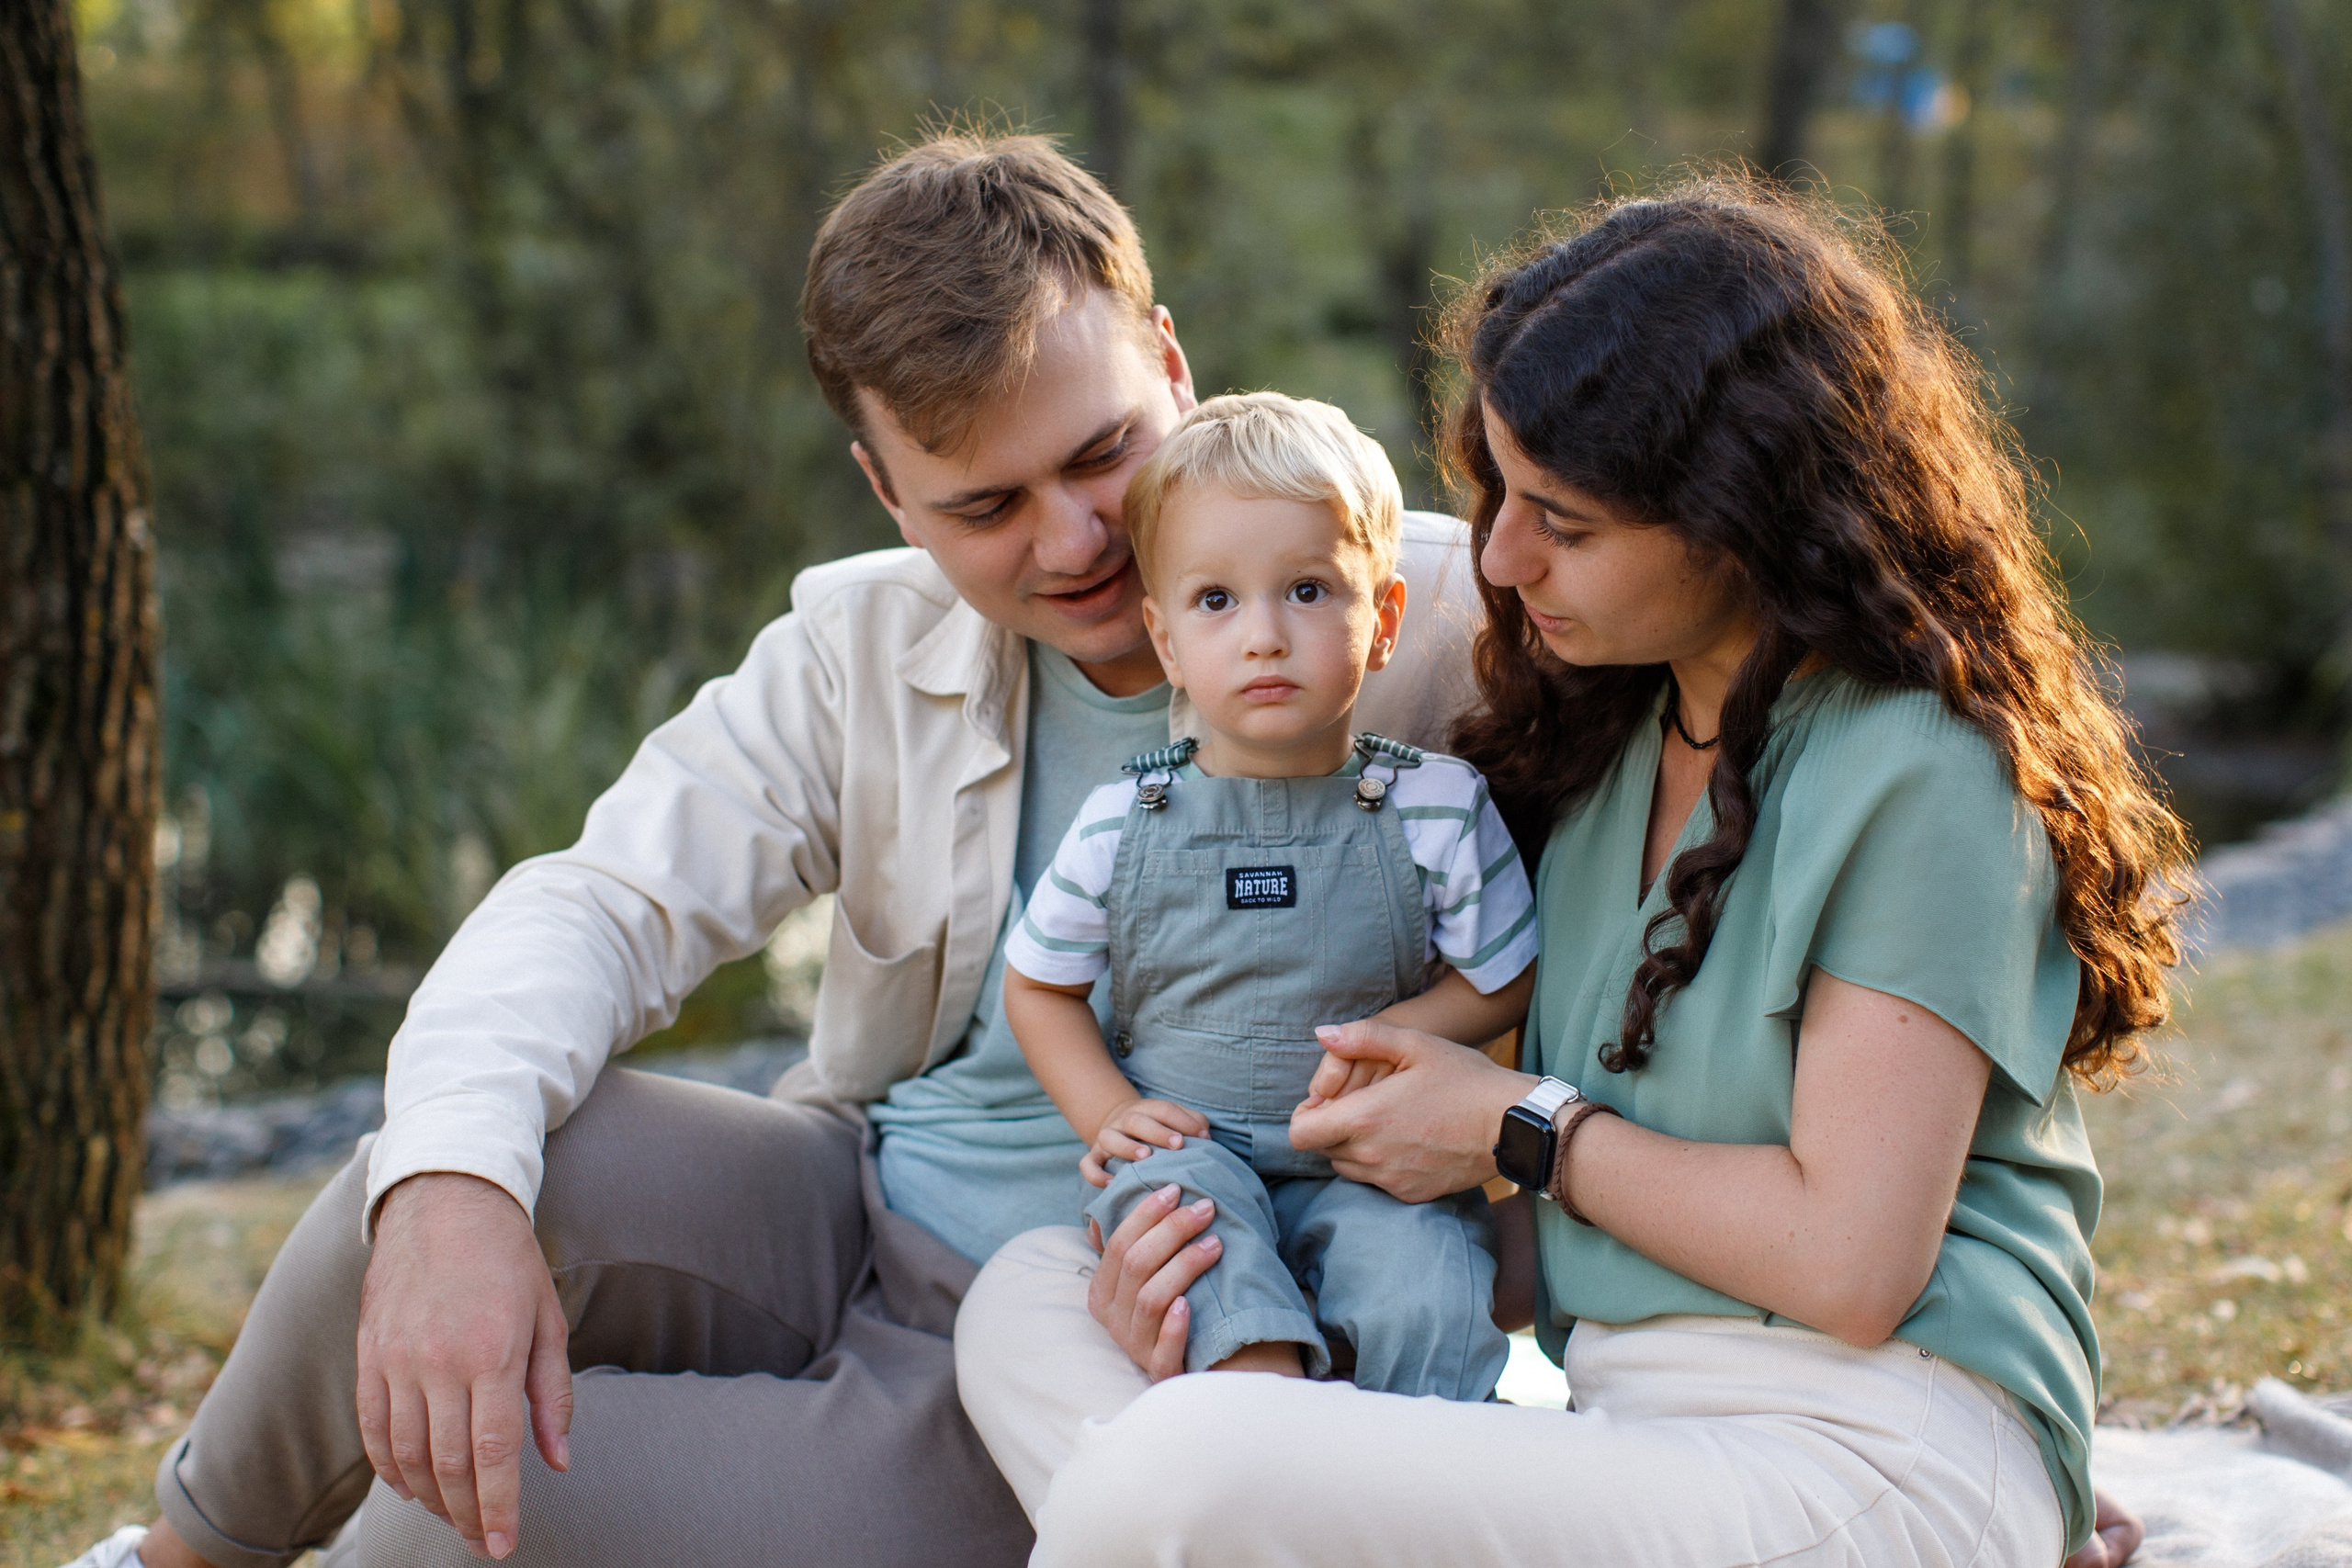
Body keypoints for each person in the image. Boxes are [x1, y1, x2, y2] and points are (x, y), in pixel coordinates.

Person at [63, 131, 1484, 1568]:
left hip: (1102, 1325)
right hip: (848, 1196)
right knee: (437, 1175)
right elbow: (596, 904)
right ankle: (170, 1560)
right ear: (887, 490)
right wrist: (450, 1191)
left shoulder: (1426, 618)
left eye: (1102, 452)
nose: (1072, 540)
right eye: (985, 505)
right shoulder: (858, 642)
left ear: (1170, 364)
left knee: (468, 1514)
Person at [953, 175, 2185, 1568]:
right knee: (1031, 1293)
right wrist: (1219, 1266)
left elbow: (1848, 1266)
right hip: (1624, 1424)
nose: (1499, 554)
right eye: (1498, 492)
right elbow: (1575, 1244)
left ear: (1737, 511)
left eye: (1566, 522)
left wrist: (1515, 1125)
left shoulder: (1918, 771)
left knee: (1174, 1470)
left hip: (1857, 1437)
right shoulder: (1611, 743)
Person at [1002, 392, 1537, 1395]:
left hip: (1370, 1152)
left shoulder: (1435, 805)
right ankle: (1265, 1415)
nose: (1263, 635)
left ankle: (1430, 1462)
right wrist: (1109, 1111)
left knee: (1427, 1291)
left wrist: (1399, 1034)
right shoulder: (1123, 819)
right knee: (1194, 1261)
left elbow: (1503, 974)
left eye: (1306, 590)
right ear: (1166, 640)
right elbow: (1037, 985)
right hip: (1189, 1143)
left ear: (1382, 620)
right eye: (1216, 600)